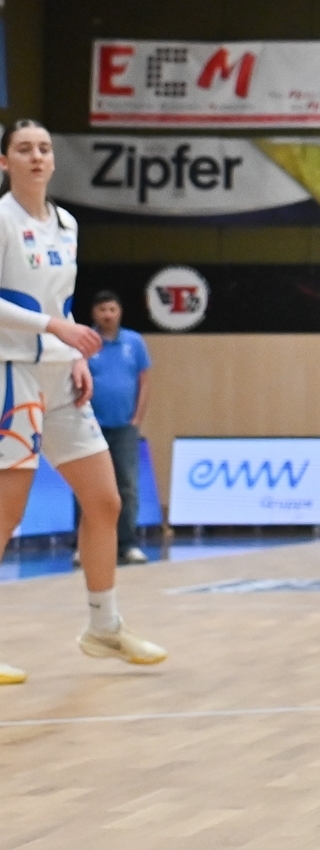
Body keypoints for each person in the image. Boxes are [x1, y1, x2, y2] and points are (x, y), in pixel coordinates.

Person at [0, 122, 166, 687]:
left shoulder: (67, 224)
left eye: (44, 148)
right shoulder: (2, 219)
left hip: (59, 375)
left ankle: (104, 627)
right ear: (5, 162)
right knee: (6, 514)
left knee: (105, 502)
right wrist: (56, 330)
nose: (37, 156)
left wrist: (71, 350)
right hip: (14, 373)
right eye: (24, 149)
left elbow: (61, 302)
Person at [85, 289, 153, 567]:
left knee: (127, 486)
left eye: (112, 309)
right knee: (88, 487)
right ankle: (84, 546)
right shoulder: (85, 342)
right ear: (94, 313)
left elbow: (144, 381)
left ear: (120, 312)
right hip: (90, 428)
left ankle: (128, 544)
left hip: (125, 427)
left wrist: (137, 418)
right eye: (102, 310)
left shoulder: (134, 342)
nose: (107, 315)